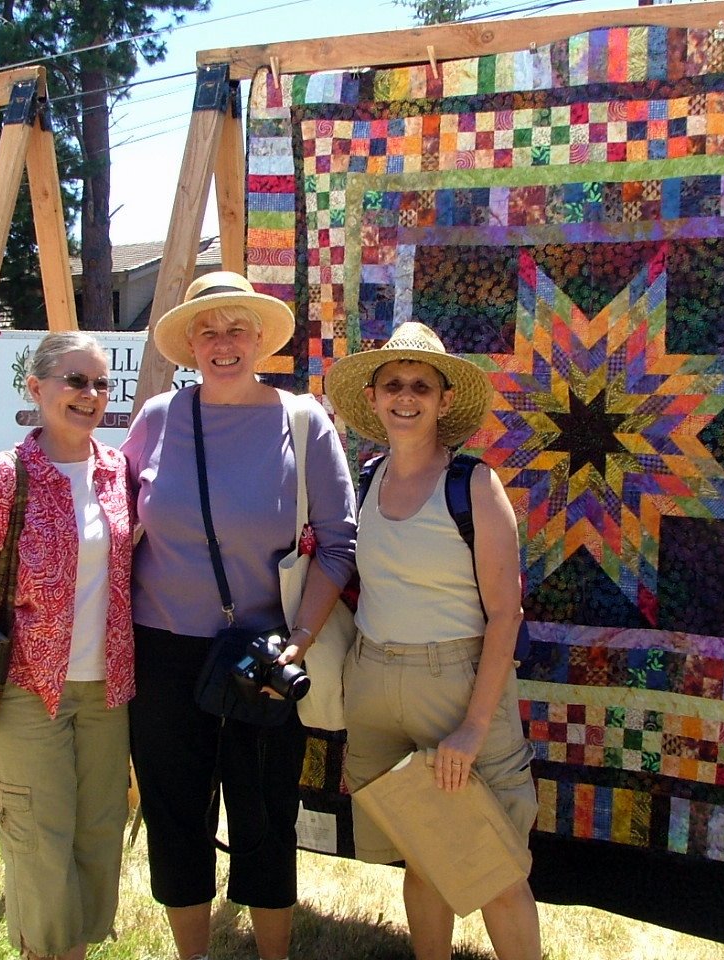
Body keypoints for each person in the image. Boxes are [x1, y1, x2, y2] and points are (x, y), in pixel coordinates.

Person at [123, 271, 356, 960]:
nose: (222, 343)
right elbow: (111, 516)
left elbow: (339, 545)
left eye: (236, 330)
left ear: (259, 340)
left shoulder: (303, 422)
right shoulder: (158, 417)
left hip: (265, 654)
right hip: (161, 653)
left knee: (265, 814)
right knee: (173, 813)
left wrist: (301, 639)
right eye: (208, 331)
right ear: (191, 344)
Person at [324, 321, 541, 960]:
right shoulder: (366, 478)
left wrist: (473, 728)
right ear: (373, 397)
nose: (406, 396)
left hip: (456, 686)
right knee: (423, 854)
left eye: (421, 385)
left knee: (496, 868)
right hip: (375, 682)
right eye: (393, 384)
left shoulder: (473, 486)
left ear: (445, 401)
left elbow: (505, 616)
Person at [0, 331, 134, 960]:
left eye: (100, 383)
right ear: (36, 387)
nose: (90, 394)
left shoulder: (117, 472)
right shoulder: (3, 477)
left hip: (107, 692)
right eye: (75, 380)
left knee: (98, 838)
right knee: (39, 847)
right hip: (29, 690)